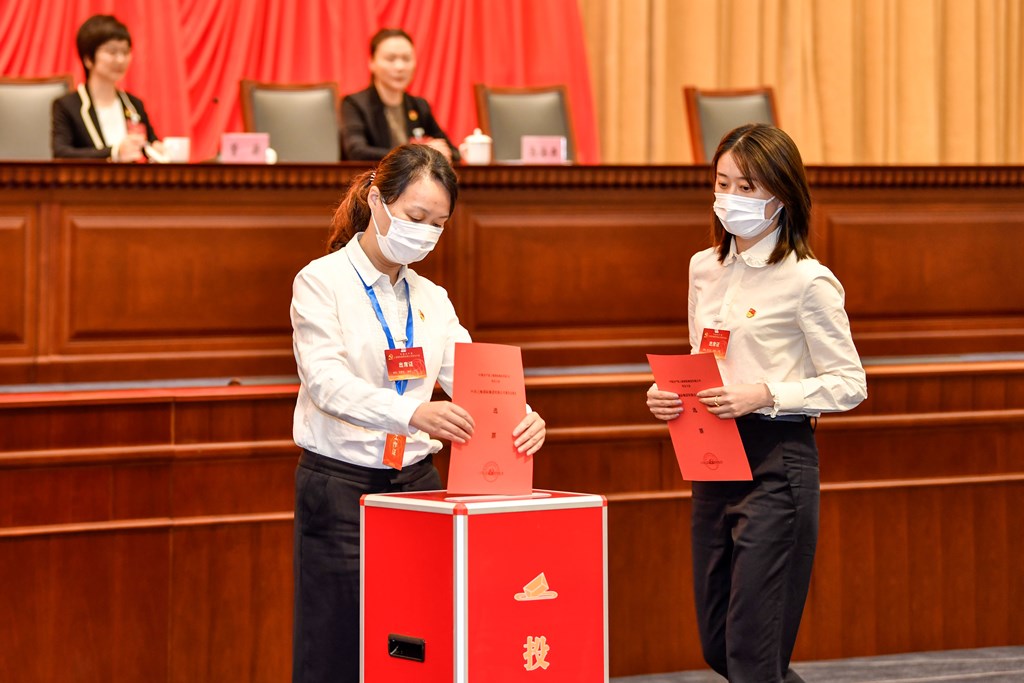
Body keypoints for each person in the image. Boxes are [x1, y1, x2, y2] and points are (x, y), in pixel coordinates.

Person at [290, 144, 544, 683]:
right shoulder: (321, 281)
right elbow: (325, 382)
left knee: (418, 641)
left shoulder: (432, 297)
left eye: (438, 224)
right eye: (415, 216)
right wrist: (411, 413)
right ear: (376, 201)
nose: (425, 233)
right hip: (342, 488)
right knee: (335, 644)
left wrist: (522, 414)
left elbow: (474, 375)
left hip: (418, 485)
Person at [646, 124, 867, 682]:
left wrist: (766, 393)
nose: (730, 198)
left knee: (752, 652)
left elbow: (849, 382)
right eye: (723, 183)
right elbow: (703, 356)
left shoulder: (808, 281)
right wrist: (671, 395)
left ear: (782, 194)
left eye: (747, 187)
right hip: (712, 456)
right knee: (719, 645)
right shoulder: (704, 267)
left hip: (777, 462)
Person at [52, 14, 164, 161]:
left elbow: (150, 144)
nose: (120, 59)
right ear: (88, 59)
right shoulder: (68, 106)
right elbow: (61, 153)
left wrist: (157, 150)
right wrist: (114, 153)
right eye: (112, 52)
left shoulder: (134, 105)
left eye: (125, 52)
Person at [340, 28, 459, 162]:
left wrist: (442, 152)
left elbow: (452, 152)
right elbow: (356, 152)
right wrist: (419, 152)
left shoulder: (419, 106)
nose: (400, 67)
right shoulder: (354, 104)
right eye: (391, 59)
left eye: (406, 59)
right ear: (372, 62)